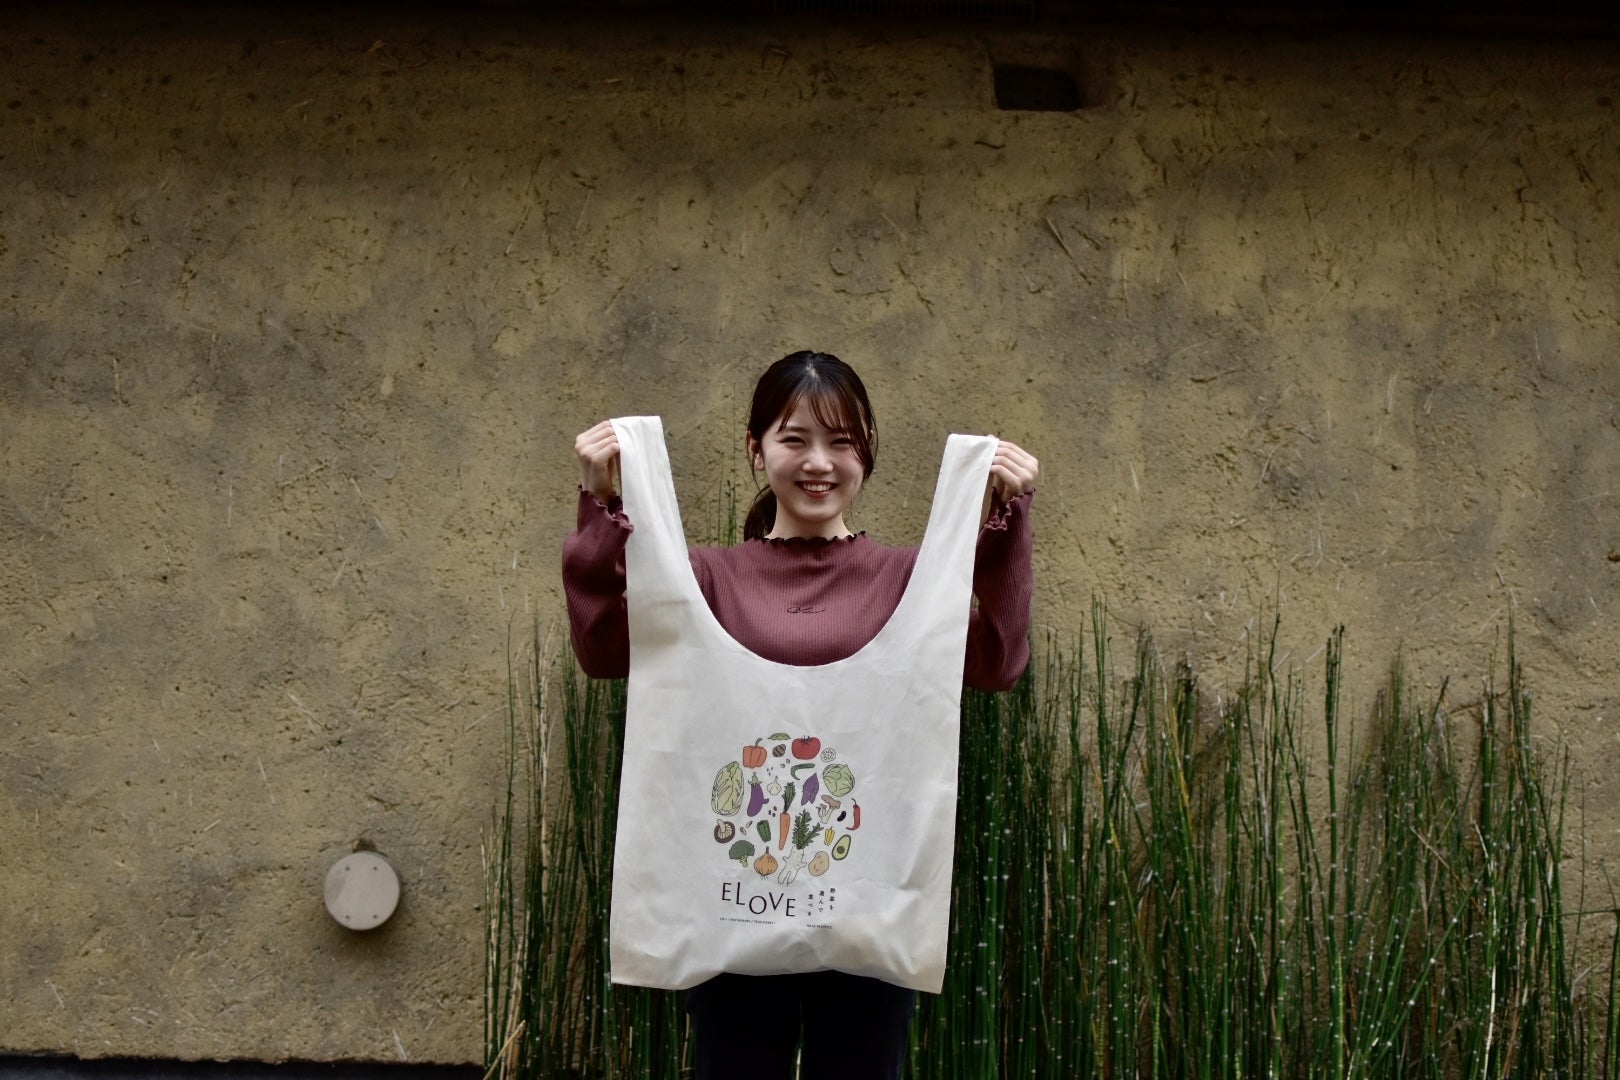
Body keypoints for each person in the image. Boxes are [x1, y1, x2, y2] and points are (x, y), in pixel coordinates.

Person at [562, 350, 1038, 1080]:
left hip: (869, 906)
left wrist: (1007, 518)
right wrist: (599, 503)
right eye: (795, 439)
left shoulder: (911, 581)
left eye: (841, 442)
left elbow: (999, 663)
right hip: (731, 907)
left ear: (866, 454)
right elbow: (601, 650)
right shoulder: (703, 579)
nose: (819, 463)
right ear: (756, 451)